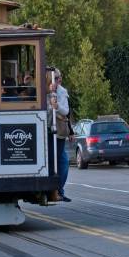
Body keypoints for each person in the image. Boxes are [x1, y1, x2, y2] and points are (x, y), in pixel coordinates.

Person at [47, 68, 71, 202]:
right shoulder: (44, 91)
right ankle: (53, 190)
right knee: (52, 161)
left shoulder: (62, 91)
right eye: (55, 78)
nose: (58, 80)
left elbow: (66, 111)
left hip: (59, 132)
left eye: (58, 77)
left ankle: (58, 190)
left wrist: (56, 107)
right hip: (46, 129)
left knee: (63, 162)